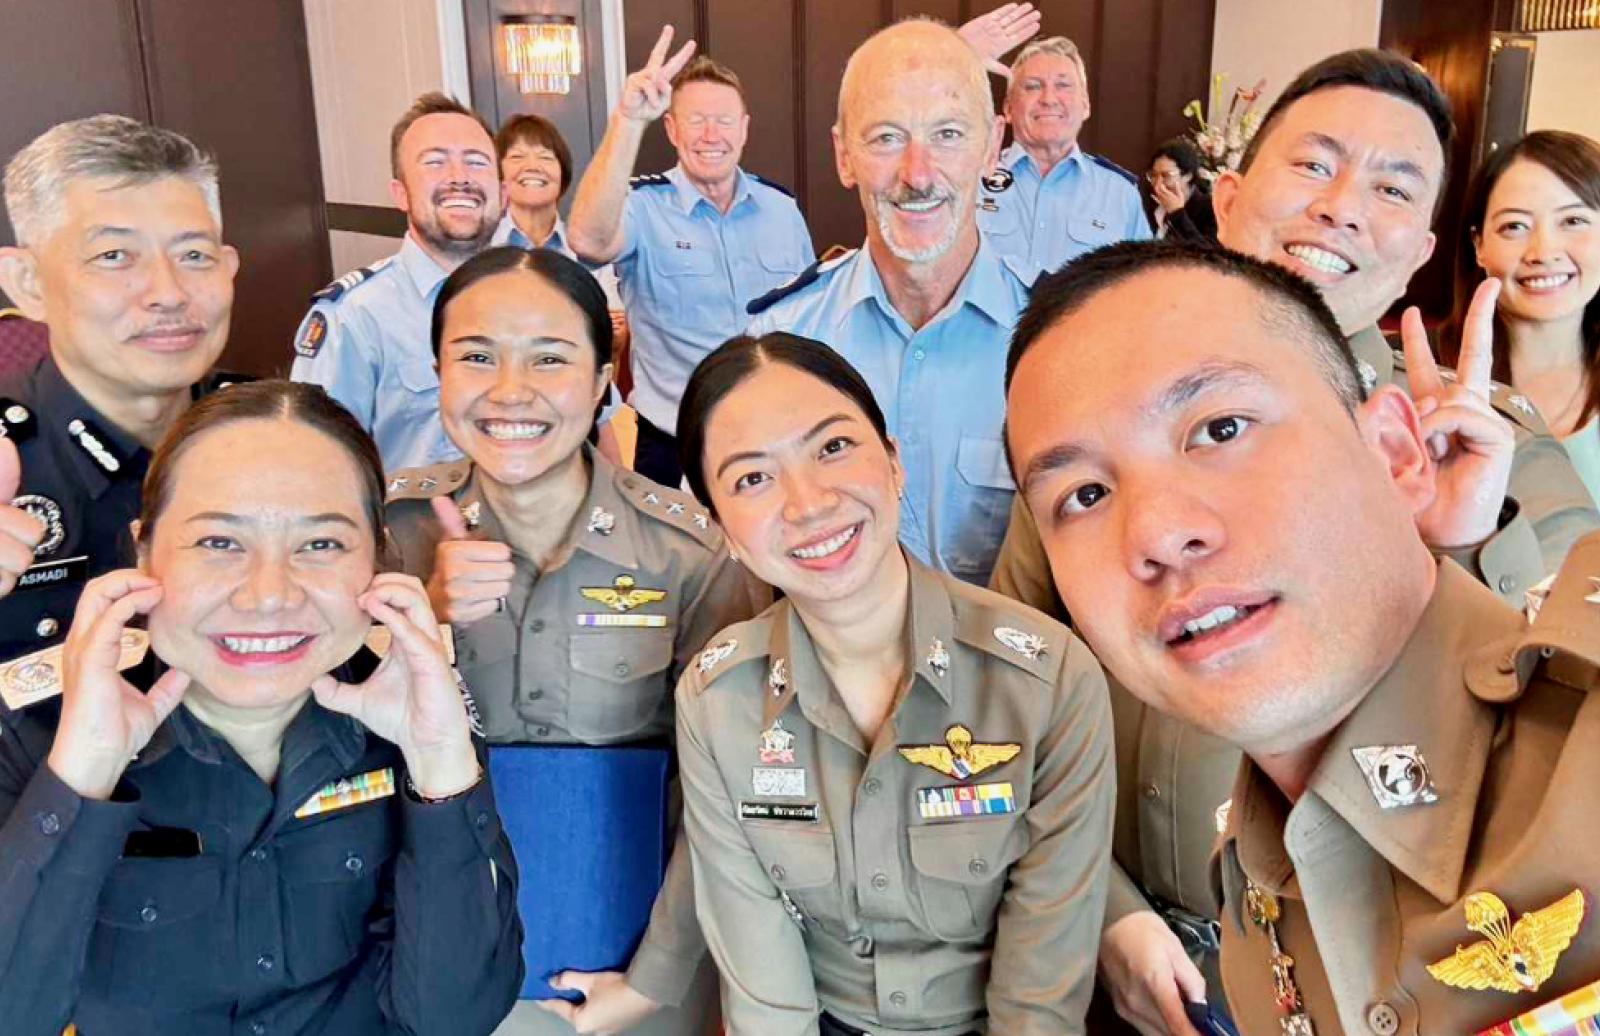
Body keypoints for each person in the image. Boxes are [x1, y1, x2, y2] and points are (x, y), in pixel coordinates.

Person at [984, 50, 1600, 1033]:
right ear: (1228, 196)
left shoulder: (1494, 440)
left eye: (1391, 186)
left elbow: (1553, 689)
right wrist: (1104, 909)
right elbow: (1008, 695)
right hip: (1183, 949)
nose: (1340, 207)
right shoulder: (1076, 427)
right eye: (1314, 164)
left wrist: (1448, 543)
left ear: (1422, 248)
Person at [0, 379, 524, 1034]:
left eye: (321, 544)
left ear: (378, 559)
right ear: (144, 550)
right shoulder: (36, 727)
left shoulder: (412, 708)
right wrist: (81, 774)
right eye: (219, 543)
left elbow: (456, 1017)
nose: (268, 595)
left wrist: (441, 763)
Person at [672, 332, 1114, 1035]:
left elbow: (1042, 987)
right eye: (752, 479)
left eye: (832, 447)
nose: (808, 504)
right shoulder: (717, 700)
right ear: (720, 526)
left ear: (894, 460)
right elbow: (763, 980)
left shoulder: (1046, 679)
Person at [383, 246, 769, 1036]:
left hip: (631, 961)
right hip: (427, 952)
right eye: (477, 356)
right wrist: (423, 619)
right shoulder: (386, 534)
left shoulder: (687, 553)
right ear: (438, 372)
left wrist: (660, 974)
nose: (510, 390)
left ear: (600, 381)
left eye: (549, 358)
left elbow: (731, 791)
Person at [746, 19, 1033, 588]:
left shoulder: (1053, 342)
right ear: (844, 156)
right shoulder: (780, 343)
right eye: (886, 138)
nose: (917, 174)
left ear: (992, 147)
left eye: (948, 134)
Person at [0, 114, 242, 663]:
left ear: (228, 268)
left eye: (194, 255)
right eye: (113, 256)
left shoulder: (281, 438)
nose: (168, 293)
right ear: (28, 284)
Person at [567, 33, 814, 489]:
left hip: (772, 439)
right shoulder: (643, 207)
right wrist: (628, 121)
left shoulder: (782, 210)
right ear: (671, 130)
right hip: (673, 445)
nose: (711, 135)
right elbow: (587, 241)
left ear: (744, 129)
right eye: (696, 120)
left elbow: (808, 319)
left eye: (723, 121)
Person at [291, 92, 503, 472]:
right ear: (400, 194)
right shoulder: (354, 317)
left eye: (476, 161)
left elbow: (595, 426)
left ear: (503, 194)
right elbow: (314, 464)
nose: (459, 177)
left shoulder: (537, 297)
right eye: (435, 162)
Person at [1446, 130, 1600, 505]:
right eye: (1514, 226)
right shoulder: (1420, 374)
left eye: (1573, 221)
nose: (1543, 252)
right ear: (1479, 245)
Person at [976, 36, 1150, 276]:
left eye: (1063, 85)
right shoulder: (969, 181)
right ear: (1008, 108)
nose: (1048, 99)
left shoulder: (1120, 195)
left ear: (1086, 106)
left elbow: (1144, 285)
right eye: (1033, 86)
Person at [1145, 137, 1216, 242]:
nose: (1158, 184)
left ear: (1188, 175)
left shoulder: (1210, 209)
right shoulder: (1150, 204)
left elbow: (1205, 249)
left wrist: (1177, 213)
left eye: (1166, 175)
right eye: (1154, 176)